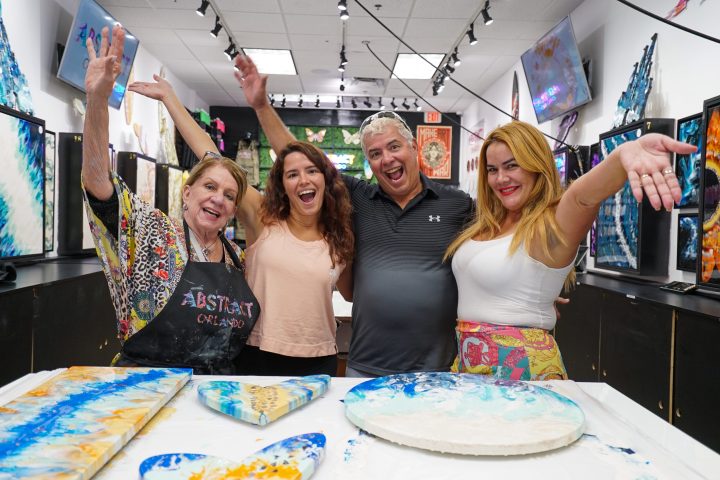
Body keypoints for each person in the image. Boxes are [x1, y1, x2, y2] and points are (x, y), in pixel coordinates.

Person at [235, 55, 475, 377]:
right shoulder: (358, 197)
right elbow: (298, 156)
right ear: (369, 163)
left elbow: (495, 240)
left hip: (435, 369)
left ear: (414, 147)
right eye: (375, 154)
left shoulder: (455, 204)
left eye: (393, 147)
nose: (386, 159)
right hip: (364, 366)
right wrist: (262, 106)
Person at [127, 77, 354, 377]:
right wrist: (170, 99)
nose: (303, 180)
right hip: (257, 355)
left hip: (320, 357)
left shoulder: (339, 237)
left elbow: (350, 294)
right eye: (292, 174)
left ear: (326, 180)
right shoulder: (265, 219)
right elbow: (213, 159)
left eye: (312, 171)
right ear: (282, 185)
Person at [445, 120, 695, 380]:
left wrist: (622, 155)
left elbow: (581, 197)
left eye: (512, 165)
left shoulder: (550, 225)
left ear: (536, 166)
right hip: (469, 362)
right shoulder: (485, 226)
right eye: (492, 169)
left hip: (520, 370)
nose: (501, 178)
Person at [82, 25, 260, 374]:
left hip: (215, 392)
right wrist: (98, 100)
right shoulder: (150, 231)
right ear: (187, 192)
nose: (217, 199)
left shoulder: (238, 260)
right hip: (147, 385)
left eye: (228, 195)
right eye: (209, 187)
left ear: (234, 211)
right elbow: (97, 180)